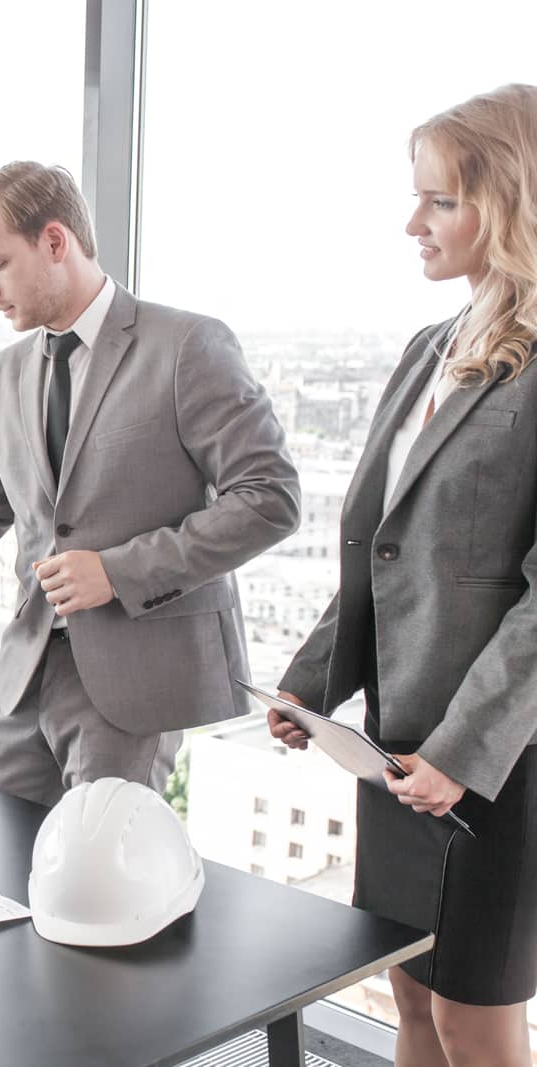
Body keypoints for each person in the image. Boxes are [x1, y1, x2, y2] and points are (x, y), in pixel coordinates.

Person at [0, 161, 299, 805]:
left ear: (54, 242)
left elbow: (269, 498)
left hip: (133, 678)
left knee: (100, 882)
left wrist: (116, 570)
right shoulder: (2, 374)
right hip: (26, 671)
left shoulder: (187, 345)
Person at [271, 84, 537, 1067]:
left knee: (474, 1015)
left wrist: (462, 754)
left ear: (509, 202)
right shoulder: (432, 346)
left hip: (494, 760)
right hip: (395, 747)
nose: (410, 223)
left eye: (439, 201)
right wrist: (309, 681)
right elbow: (378, 550)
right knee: (409, 994)